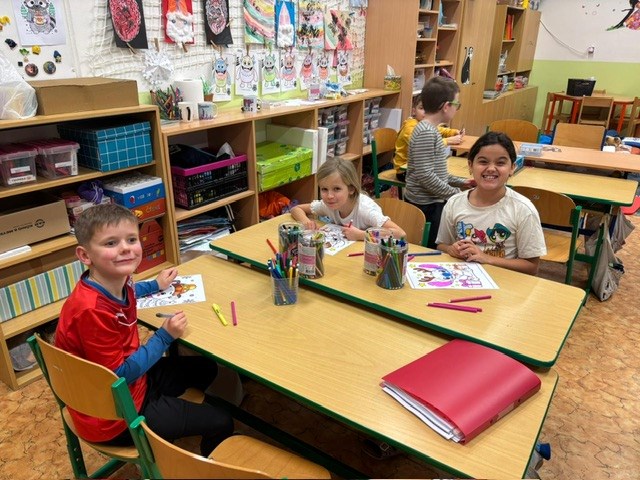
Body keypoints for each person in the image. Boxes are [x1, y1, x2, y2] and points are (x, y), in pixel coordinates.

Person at [55, 203, 233, 456]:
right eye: (111, 243)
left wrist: (155, 285)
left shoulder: (111, 280)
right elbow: (118, 376)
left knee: (206, 368)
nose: (126, 248)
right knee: (222, 421)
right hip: (116, 416)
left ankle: (169, 423)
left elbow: (130, 290)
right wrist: (164, 336)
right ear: (85, 256)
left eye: (131, 239)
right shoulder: (91, 311)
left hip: (129, 386)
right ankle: (175, 449)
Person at [436, 131, 547, 275]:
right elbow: (442, 245)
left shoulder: (523, 209)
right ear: (470, 165)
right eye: (483, 162)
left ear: (512, 168)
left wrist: (486, 258)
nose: (491, 168)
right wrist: (451, 249)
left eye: (500, 163)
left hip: (503, 281)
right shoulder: (454, 203)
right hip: (462, 277)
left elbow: (532, 267)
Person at [404, 77, 475, 248]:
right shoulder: (426, 132)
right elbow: (426, 176)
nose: (457, 109)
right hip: (425, 205)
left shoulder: (430, 130)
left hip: (432, 200)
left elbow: (435, 172)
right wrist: (455, 194)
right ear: (446, 106)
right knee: (427, 248)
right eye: (457, 104)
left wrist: (461, 182)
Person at [290, 157, 406, 241]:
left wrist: (361, 235)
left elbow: (400, 234)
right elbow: (296, 209)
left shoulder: (365, 210)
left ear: (351, 189)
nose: (329, 196)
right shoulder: (328, 205)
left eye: (337, 189)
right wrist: (306, 222)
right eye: (324, 189)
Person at [392, 97, 465, 183]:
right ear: (414, 111)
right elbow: (425, 145)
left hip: (420, 167)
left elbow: (440, 130)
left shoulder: (426, 124)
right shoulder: (410, 127)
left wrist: (454, 132)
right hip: (405, 171)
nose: (426, 112)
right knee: (442, 177)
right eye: (422, 108)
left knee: (447, 173)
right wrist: (448, 141)